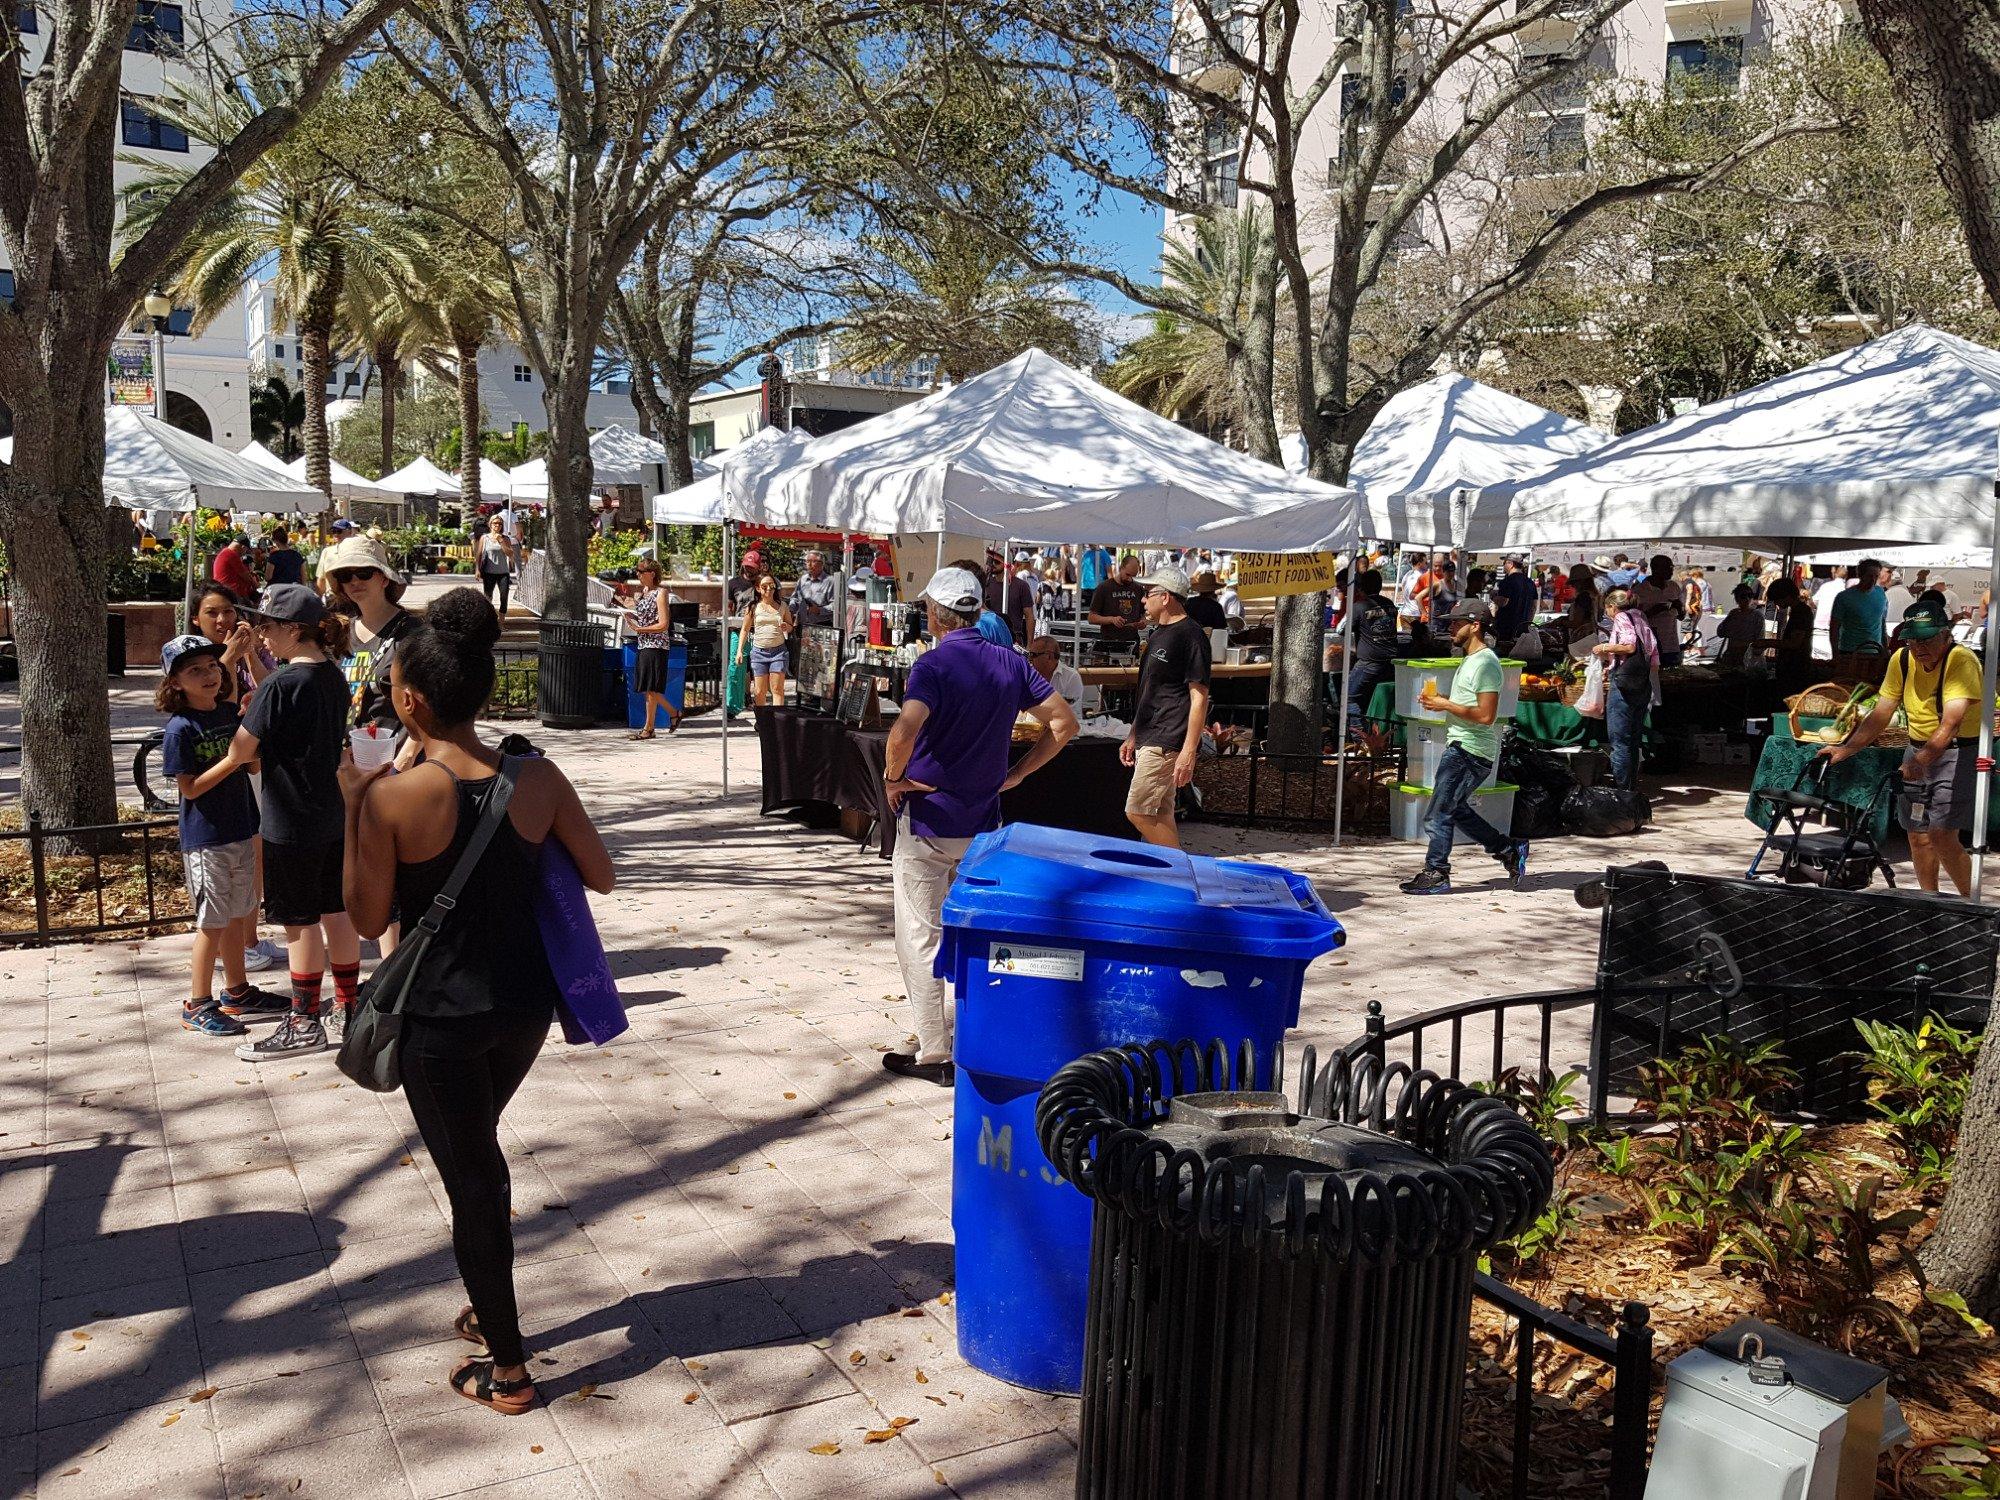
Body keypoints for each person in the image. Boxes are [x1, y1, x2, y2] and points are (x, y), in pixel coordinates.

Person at [340, 587, 614, 1417]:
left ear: (409, 700)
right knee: (475, 1153)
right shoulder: (537, 775)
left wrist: (358, 803)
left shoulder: (394, 796)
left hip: (441, 1018)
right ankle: (487, 1304)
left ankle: (510, 1368)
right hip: (525, 1004)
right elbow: (600, 873)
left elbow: (364, 918)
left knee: (475, 1180)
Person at [880, 568, 1079, 1084]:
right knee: (974, 931)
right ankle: (975, 1032)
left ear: (936, 615)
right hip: (983, 823)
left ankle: (933, 1051)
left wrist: (891, 779)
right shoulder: (1012, 662)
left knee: (920, 936)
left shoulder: (933, 663)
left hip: (928, 820)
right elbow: (1064, 725)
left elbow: (903, 730)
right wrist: (1017, 774)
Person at [202, 584, 361, 1060]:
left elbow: (240, 751)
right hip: (330, 812)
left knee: (299, 922)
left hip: (290, 818)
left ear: (295, 629)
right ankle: (350, 1007)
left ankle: (304, 1020)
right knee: (335, 910)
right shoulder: (331, 676)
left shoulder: (280, 684)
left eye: (269, 627)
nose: (262, 635)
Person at [158, 635, 283, 1035]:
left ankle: (237, 989)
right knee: (211, 921)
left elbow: (249, 767)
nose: (209, 675)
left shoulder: (228, 713)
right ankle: (197, 1002)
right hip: (206, 837)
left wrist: (251, 747)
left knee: (237, 914)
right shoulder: (180, 728)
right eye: (195, 670)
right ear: (175, 682)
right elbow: (190, 788)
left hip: (242, 827)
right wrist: (233, 759)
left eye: (212, 666)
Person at [1823, 598, 1980, 896]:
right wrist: (1847, 748)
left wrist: (1921, 759)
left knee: (1942, 836)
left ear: (1946, 634)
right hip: (1917, 749)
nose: (1919, 648)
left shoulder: (1962, 661)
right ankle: (1929, 903)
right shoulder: (1902, 659)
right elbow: (1882, 712)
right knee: (1918, 836)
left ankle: (1973, 906)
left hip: (1956, 753)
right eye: (1912, 641)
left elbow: (1950, 724)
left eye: (1927, 639)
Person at [1399, 599, 1528, 897]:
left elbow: (1486, 715)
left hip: (1470, 750)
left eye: (1457, 623)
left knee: (1438, 812)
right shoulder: (1470, 660)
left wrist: (1444, 704)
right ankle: (1508, 849)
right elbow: (1471, 706)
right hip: (1462, 746)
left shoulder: (1486, 663)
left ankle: (1437, 872)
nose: (1451, 627)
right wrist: (1444, 700)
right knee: (1453, 809)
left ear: (1476, 625)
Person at [191, 584, 284, 973]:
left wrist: (247, 655)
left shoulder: (252, 650)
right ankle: (232, 947)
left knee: (255, 854)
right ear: (196, 618)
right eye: (212, 612)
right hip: (221, 768)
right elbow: (220, 703)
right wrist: (228, 658)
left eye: (227, 610)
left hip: (255, 764)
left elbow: (271, 691)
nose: (222, 619)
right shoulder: (194, 660)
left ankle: (249, 938)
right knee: (230, 859)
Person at [1121, 566, 1212, 849]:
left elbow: (1199, 697)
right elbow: (1149, 690)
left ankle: (1182, 873)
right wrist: (1134, 733)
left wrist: (1188, 750)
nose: (1143, 600)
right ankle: (1170, 879)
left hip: (1168, 737)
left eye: (1148, 594)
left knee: (1137, 810)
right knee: (1160, 812)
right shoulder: (1159, 633)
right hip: (1150, 733)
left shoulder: (1191, 635)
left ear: (1167, 597)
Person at [320, 535, 419, 746]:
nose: (355, 582)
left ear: (384, 579)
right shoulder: (340, 632)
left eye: (364, 573)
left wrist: (403, 761)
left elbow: (431, 705)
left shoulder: (412, 632)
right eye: (346, 575)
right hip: (349, 760)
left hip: (395, 761)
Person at [1595, 588, 1658, 793]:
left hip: (1624, 684)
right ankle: (1630, 787)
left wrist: (1603, 648)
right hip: (1642, 682)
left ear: (1613, 606)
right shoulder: (1641, 617)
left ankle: (1622, 791)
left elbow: (1629, 647)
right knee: (1633, 739)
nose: (1608, 613)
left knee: (1619, 740)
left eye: (1607, 608)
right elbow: (1652, 652)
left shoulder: (1622, 617)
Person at [623, 557, 681, 739]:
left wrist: (641, 629)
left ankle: (649, 728)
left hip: (657, 644)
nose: (638, 575)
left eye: (641, 572)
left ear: (652, 574)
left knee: (650, 687)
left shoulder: (660, 593)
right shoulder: (642, 594)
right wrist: (631, 616)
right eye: (637, 572)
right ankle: (672, 714)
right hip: (643, 642)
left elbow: (663, 624)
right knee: (648, 687)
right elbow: (646, 617)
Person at [1344, 569, 1397, 721]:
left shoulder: (1360, 606)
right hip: (1389, 663)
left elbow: (1342, 629)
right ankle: (1372, 736)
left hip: (1369, 663)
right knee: (1369, 698)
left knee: (1348, 697)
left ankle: (1360, 740)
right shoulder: (1390, 604)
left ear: (1361, 587)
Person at [738, 573, 793, 707]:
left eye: (772, 586)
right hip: (759, 652)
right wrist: (739, 651)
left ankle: (777, 724)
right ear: (758, 588)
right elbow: (745, 629)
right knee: (759, 691)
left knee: (777, 689)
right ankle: (762, 722)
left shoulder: (783, 606)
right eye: (764, 586)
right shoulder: (753, 607)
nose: (769, 589)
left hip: (779, 652)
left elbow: (791, 627)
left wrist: (787, 627)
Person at [1630, 554, 1686, 669]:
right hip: (1649, 645)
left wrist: (1679, 607)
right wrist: (1656, 610)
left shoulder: (1674, 587)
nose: (1671, 571)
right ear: (1656, 569)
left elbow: (1681, 617)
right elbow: (1632, 620)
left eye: (1672, 567)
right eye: (1668, 567)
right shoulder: (1640, 590)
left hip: (1671, 645)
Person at [1828, 558, 1888, 662]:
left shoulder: (1881, 593)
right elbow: (1834, 628)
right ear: (1860, 575)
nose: (1873, 580)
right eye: (1869, 576)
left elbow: (1882, 622)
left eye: (1876, 576)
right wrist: (1835, 654)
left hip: (1875, 652)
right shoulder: (1844, 597)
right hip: (1849, 652)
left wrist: (1885, 649)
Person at [1026, 636, 1088, 715]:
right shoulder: (1027, 674)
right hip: (1030, 726)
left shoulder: (1071, 677)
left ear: (1049, 656)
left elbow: (1071, 714)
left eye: (1033, 654)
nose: (1029, 658)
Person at [1088, 554, 1146, 638]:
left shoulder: (1138, 588)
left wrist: (1142, 622)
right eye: (1127, 574)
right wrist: (1111, 619)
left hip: (1132, 640)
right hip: (1110, 641)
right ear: (1120, 568)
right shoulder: (1104, 587)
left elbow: (1143, 614)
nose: (1130, 579)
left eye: (1133, 576)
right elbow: (1091, 617)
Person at [984, 555, 1036, 645]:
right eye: (990, 561)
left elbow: (1029, 615)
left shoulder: (1021, 586)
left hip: (1014, 638)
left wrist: (1030, 644)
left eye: (996, 562)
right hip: (989, 636)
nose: (992, 564)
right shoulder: (986, 584)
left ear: (1006, 564)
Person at [476, 514, 518, 616]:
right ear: (490, 524)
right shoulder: (484, 538)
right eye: (495, 523)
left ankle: (501, 623)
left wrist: (501, 541)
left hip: (503, 573)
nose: (497, 525)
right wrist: (477, 570)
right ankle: (489, 620)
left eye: (500, 523)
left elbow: (510, 553)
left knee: (504, 598)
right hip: (489, 572)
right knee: (488, 597)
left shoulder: (505, 538)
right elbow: (479, 554)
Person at [1715, 583, 1764, 671]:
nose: (1747, 599)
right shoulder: (1733, 613)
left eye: (1750, 595)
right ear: (1737, 598)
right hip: (1731, 658)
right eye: (1743, 596)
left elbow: (1760, 639)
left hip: (1748, 659)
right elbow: (1720, 632)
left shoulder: (1757, 616)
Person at [1492, 555, 1537, 651]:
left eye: (1504, 563)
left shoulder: (1507, 581)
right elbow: (1534, 606)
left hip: (1505, 628)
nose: (1503, 566)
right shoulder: (1530, 583)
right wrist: (1527, 624)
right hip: (1522, 628)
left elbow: (1504, 601)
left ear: (1511, 564)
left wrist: (1493, 597)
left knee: (1504, 656)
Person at [789, 549, 840, 632]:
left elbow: (836, 605)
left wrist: (820, 610)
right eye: (807, 561)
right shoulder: (803, 580)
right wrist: (791, 609)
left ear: (821, 564)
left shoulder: (831, 581)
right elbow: (795, 598)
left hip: (822, 626)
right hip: (802, 625)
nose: (809, 564)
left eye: (813, 561)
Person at [1563, 567, 1604, 662]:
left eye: (1574, 583)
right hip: (1592, 636)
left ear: (1580, 582)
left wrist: (1561, 622)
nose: (1573, 586)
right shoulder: (1594, 595)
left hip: (1581, 639)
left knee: (1579, 665)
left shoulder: (1584, 597)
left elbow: (1576, 622)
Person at [1810, 565, 1844, 661]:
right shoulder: (1845, 590)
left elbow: (1813, 602)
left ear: (1834, 571)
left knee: (1817, 662)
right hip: (1834, 631)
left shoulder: (1825, 586)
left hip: (1819, 629)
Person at [213, 533, 259, 601]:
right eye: (245, 550)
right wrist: (256, 585)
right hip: (232, 595)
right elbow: (247, 577)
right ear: (243, 547)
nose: (244, 553)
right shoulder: (232, 555)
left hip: (225, 592)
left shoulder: (225, 552)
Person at [726, 549, 765, 615]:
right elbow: (728, 607)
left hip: (759, 621)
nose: (748, 569)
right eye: (747, 566)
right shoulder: (732, 583)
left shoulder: (764, 582)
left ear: (759, 567)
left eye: (752, 567)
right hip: (740, 622)